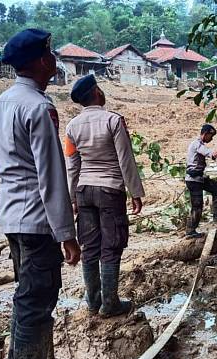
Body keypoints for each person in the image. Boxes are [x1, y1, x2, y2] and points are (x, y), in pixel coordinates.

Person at [0, 28, 80, 359]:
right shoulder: (40, 107)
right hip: (37, 221)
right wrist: (67, 234)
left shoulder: (0, 104)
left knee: (26, 296)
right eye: (52, 54)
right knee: (37, 299)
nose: (55, 59)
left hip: (11, 216)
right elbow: (52, 174)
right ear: (43, 61)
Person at [64, 75, 144, 318]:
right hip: (110, 190)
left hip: (85, 191)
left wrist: (72, 199)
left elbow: (72, 165)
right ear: (97, 92)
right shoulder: (114, 121)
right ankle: (109, 303)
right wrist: (135, 192)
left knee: (90, 247)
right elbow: (125, 159)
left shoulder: (72, 127)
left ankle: (93, 301)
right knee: (111, 246)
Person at [184, 124, 217, 238]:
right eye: (211, 136)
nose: (211, 138)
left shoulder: (198, 144)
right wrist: (212, 153)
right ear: (205, 134)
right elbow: (204, 151)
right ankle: (190, 231)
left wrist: (212, 155)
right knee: (197, 205)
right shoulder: (197, 144)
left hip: (198, 178)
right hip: (194, 180)